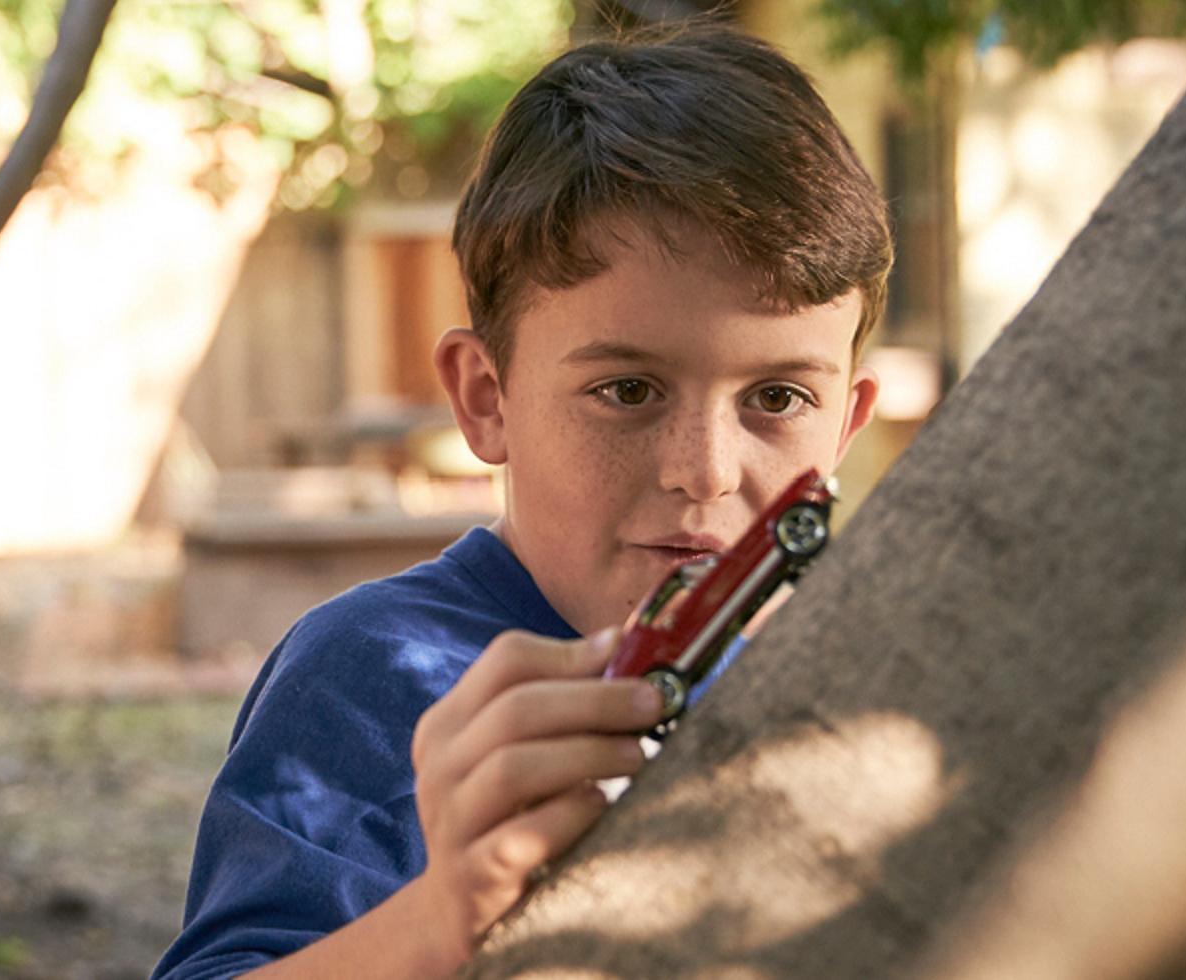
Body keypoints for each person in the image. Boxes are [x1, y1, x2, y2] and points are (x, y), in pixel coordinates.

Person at [153, 24, 891, 979]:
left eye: (779, 399)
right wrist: (439, 920)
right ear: (485, 398)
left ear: (843, 427)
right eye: (627, 391)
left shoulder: (850, 681)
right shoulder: (372, 680)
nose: (703, 471)